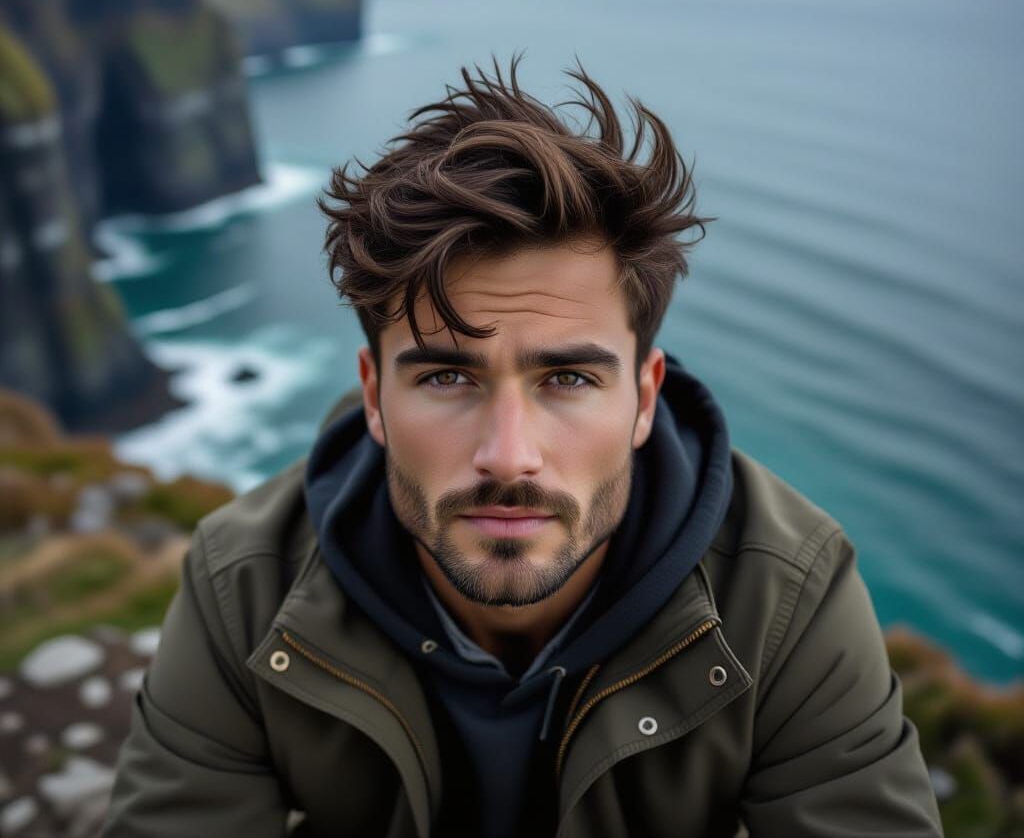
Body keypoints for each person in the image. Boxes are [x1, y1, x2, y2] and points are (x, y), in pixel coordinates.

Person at [104, 56, 943, 837]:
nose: (509, 457)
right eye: (446, 379)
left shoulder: (786, 596)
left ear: (646, 396)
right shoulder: (245, 582)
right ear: (373, 395)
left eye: (568, 380)